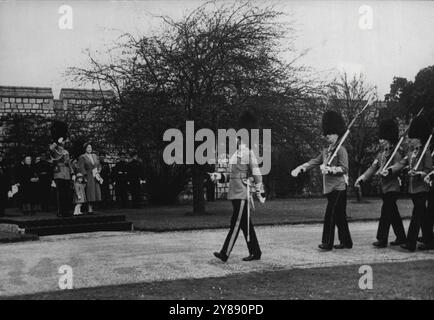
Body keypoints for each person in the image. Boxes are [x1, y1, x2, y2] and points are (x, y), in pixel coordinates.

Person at [292, 110, 353, 251]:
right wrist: (301, 168)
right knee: (339, 216)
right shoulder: (327, 150)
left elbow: (344, 168)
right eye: (327, 134)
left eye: (331, 134)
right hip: (329, 188)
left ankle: (327, 242)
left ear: (337, 133)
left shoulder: (341, 150)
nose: (328, 136)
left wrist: (330, 170)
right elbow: (315, 161)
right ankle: (346, 242)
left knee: (330, 215)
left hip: (338, 187)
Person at [209, 110, 264, 262]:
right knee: (245, 225)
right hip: (234, 193)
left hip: (241, 194)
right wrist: (219, 176)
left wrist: (259, 190)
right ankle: (256, 252)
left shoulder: (249, 154)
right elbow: (231, 175)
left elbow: (257, 174)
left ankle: (225, 253)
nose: (237, 140)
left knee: (236, 224)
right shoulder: (236, 154)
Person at [355, 119, 406, 248]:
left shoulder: (396, 153)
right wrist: (362, 178)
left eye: (383, 139)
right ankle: (401, 237)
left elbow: (398, 167)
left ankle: (382, 239)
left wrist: (389, 171)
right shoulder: (381, 154)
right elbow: (372, 168)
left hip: (393, 187)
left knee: (385, 213)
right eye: (380, 138)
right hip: (384, 188)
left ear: (389, 139)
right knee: (393, 213)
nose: (380, 141)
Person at [384, 115, 432, 251]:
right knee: (422, 217)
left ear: (418, 139)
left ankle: (411, 243)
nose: (409, 141)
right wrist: (390, 170)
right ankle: (429, 240)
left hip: (422, 189)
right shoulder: (411, 153)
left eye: (411, 139)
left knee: (416, 217)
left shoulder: (425, 152)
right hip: (413, 189)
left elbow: (428, 171)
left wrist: (417, 173)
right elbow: (401, 163)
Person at [50, 121, 73, 217]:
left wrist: (72, 171)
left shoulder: (66, 151)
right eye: (63, 141)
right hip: (59, 172)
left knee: (67, 193)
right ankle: (60, 211)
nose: (64, 142)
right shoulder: (55, 149)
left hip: (66, 173)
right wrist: (56, 141)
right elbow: (51, 148)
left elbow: (69, 163)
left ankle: (66, 211)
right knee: (60, 193)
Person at [78, 143, 102, 214]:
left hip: (95, 176)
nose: (90, 149)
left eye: (90, 147)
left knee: (95, 192)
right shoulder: (82, 157)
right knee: (89, 192)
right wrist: (84, 176)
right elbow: (81, 167)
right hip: (88, 175)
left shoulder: (94, 156)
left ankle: (92, 207)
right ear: (85, 148)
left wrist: (98, 171)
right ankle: (89, 209)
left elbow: (99, 164)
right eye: (88, 147)